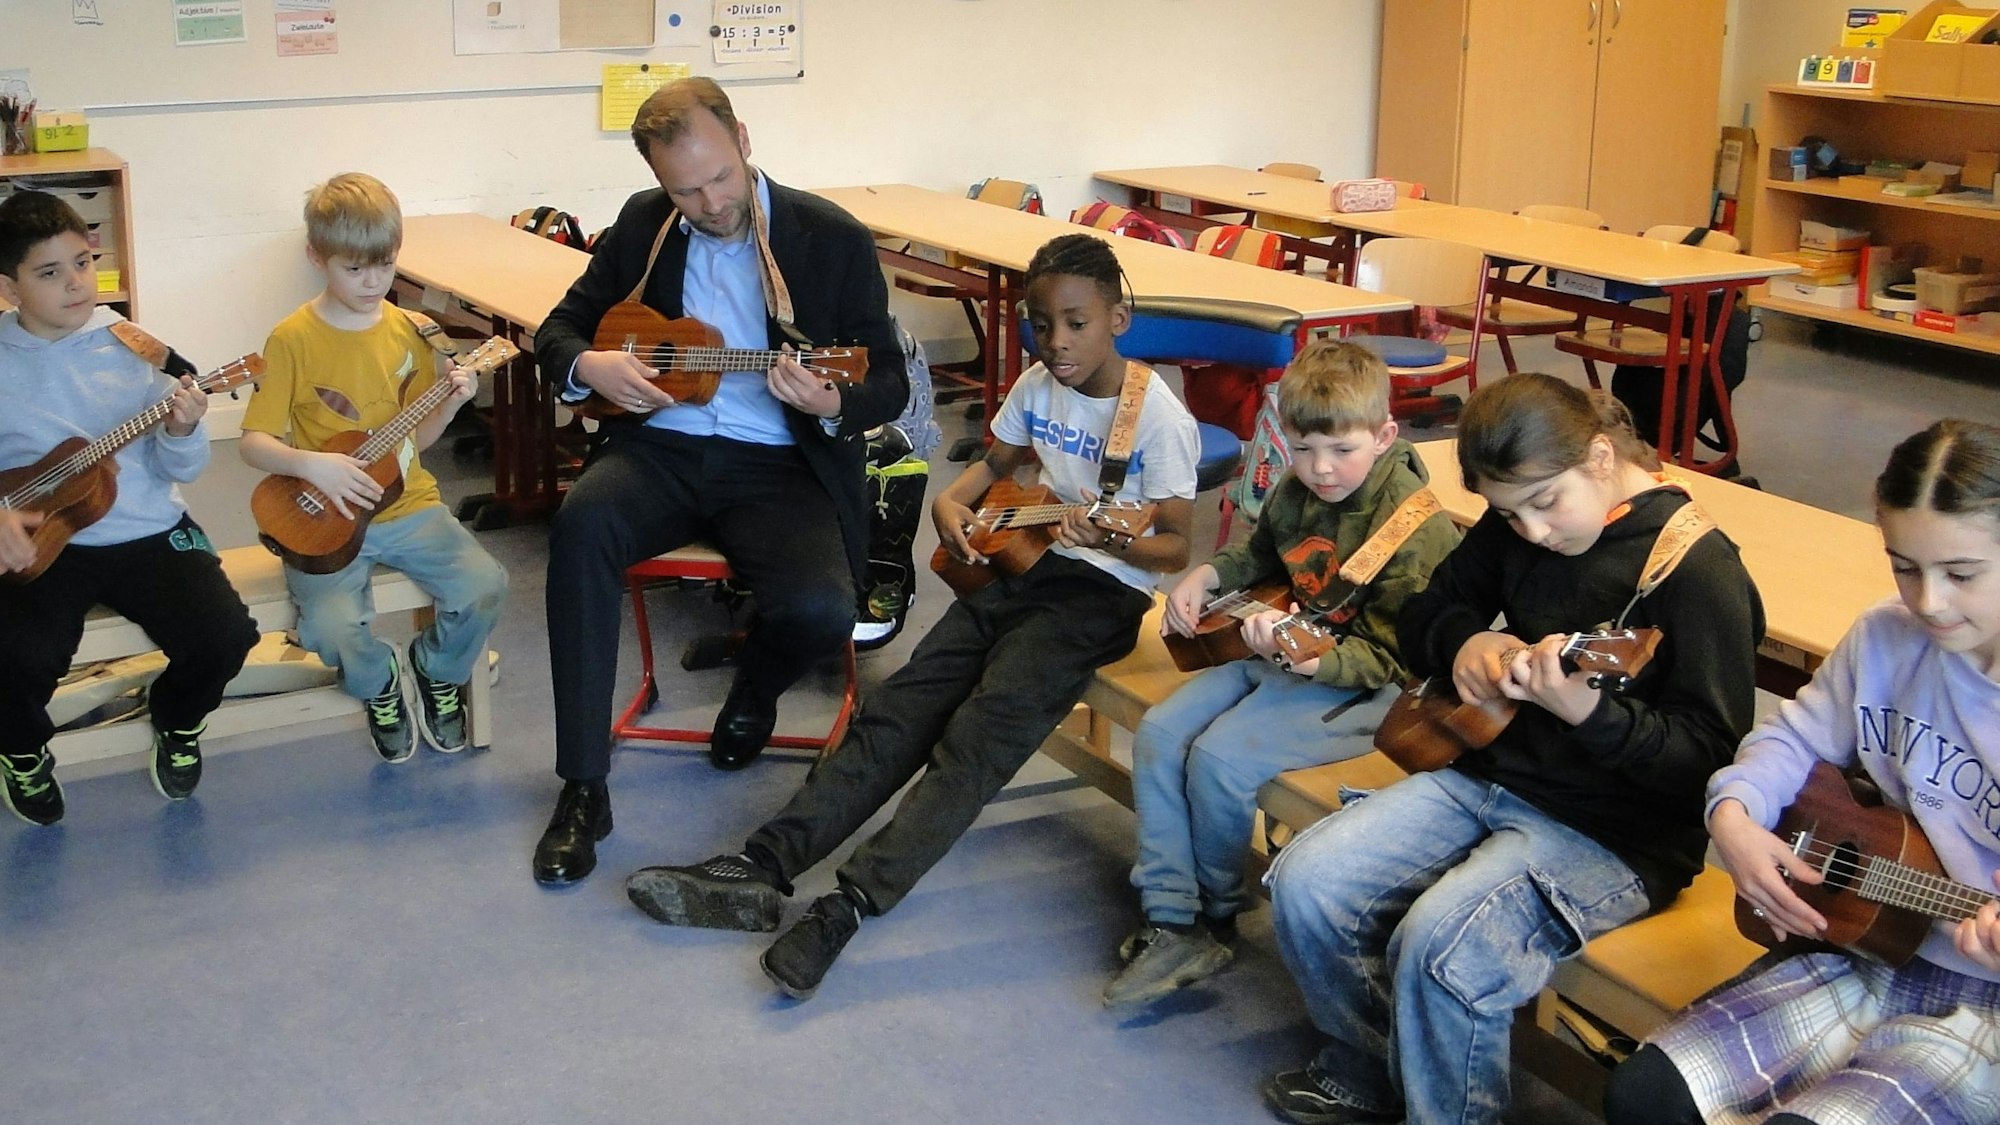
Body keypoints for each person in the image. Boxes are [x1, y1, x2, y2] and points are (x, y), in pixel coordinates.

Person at [620, 233, 1200, 1001]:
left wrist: (1113, 535)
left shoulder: (1157, 418)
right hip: (1025, 563)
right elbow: (992, 468)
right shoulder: (1038, 383)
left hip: (1100, 597)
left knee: (976, 739)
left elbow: (1174, 546)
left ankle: (848, 906)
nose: (1056, 341)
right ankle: (760, 865)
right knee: (896, 710)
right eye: (1041, 324)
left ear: (1117, 319)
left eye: (1076, 323)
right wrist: (951, 504)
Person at [1263, 372, 1765, 1125]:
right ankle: (1377, 1071)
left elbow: (1707, 763)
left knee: (1442, 946)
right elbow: (1428, 612)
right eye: (1507, 513)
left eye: (1545, 503)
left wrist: (1589, 714)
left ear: (1601, 457)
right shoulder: (1521, 512)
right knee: (1309, 881)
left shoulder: (1698, 570)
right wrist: (1466, 639)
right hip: (1489, 772)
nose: (1530, 530)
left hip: (1616, 834)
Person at [530, 77, 907, 886]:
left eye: (720, 179)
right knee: (582, 527)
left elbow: (887, 379)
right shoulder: (644, 223)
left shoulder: (830, 237)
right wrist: (589, 365)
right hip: (658, 450)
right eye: (685, 191)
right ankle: (583, 786)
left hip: (778, 462)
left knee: (822, 608)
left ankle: (755, 692)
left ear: (743, 138)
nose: (709, 203)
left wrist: (833, 401)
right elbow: (559, 328)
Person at [1604, 419, 2000, 1125]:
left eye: (1961, 574)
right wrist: (1734, 813)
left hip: (1984, 1005)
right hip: (1865, 946)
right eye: (1905, 566)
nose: (1928, 601)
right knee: (1643, 1095)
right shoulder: (1886, 636)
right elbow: (1792, 735)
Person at [1104, 340, 1458, 1010]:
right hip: (1283, 650)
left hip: (1367, 684)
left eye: (1342, 450)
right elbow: (1261, 552)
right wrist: (1208, 575)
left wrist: (1319, 659)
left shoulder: (1413, 529)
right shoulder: (1301, 486)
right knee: (1160, 732)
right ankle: (1171, 911)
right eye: (1302, 449)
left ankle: (1215, 912)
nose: (1320, 468)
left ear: (1385, 436)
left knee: (1219, 759)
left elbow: (1402, 658)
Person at [0, 189, 258, 823]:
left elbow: (183, 470)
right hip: (41, 541)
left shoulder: (136, 349)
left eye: (83, 263)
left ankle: (178, 719)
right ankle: (22, 751)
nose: (75, 283)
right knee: (15, 658)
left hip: (147, 529)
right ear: (8, 288)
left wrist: (183, 429)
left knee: (224, 635)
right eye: (49, 272)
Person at [239, 172, 507, 765]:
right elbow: (253, 443)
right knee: (330, 629)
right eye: (354, 268)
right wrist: (315, 467)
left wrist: (451, 404)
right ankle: (378, 681)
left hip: (408, 504)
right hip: (326, 517)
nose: (372, 282)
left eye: (384, 266)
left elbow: (415, 441)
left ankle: (436, 670)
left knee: (486, 585)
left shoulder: (413, 333)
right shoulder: (293, 339)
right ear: (317, 257)